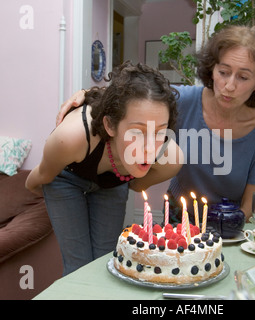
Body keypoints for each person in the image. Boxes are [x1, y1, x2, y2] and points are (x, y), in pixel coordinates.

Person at [57, 25, 255, 226]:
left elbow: (252, 207)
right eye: (223, 72)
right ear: (212, 69)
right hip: (176, 219)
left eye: (243, 77)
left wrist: (225, 232)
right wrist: (88, 94)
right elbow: (131, 96)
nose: (229, 85)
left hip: (230, 225)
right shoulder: (184, 101)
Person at [26, 61, 183, 275]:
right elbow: (40, 177)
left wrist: (124, 174)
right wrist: (42, 193)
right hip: (66, 179)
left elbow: (135, 185)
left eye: (160, 132)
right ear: (110, 125)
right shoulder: (71, 137)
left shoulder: (170, 158)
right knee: (78, 267)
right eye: (137, 132)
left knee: (107, 262)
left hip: (111, 183)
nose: (148, 148)